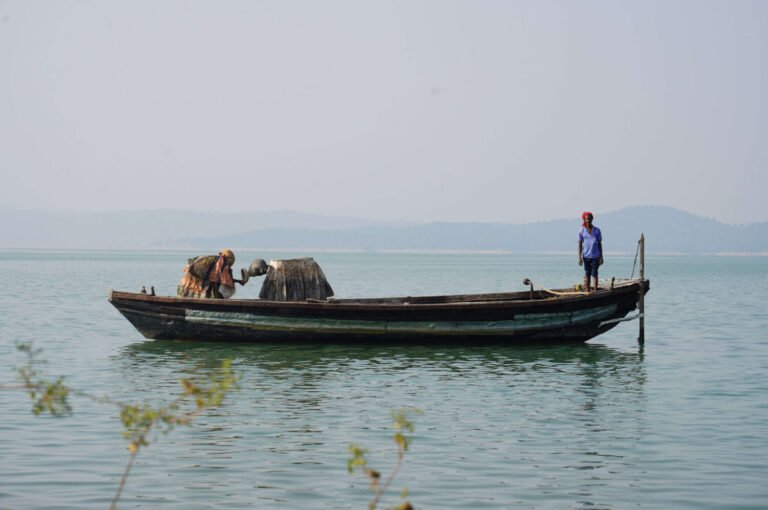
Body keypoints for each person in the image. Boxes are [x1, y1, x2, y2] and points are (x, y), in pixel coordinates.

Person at [578, 211, 603, 292]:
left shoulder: (597, 230)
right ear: (584, 220)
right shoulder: (581, 230)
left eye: (589, 218)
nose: (588, 220)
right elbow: (580, 244)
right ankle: (587, 290)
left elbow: (599, 244)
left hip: (595, 256)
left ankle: (595, 290)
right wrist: (580, 258)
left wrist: (601, 257)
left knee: (594, 274)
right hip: (586, 256)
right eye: (586, 219)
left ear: (592, 219)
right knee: (587, 273)